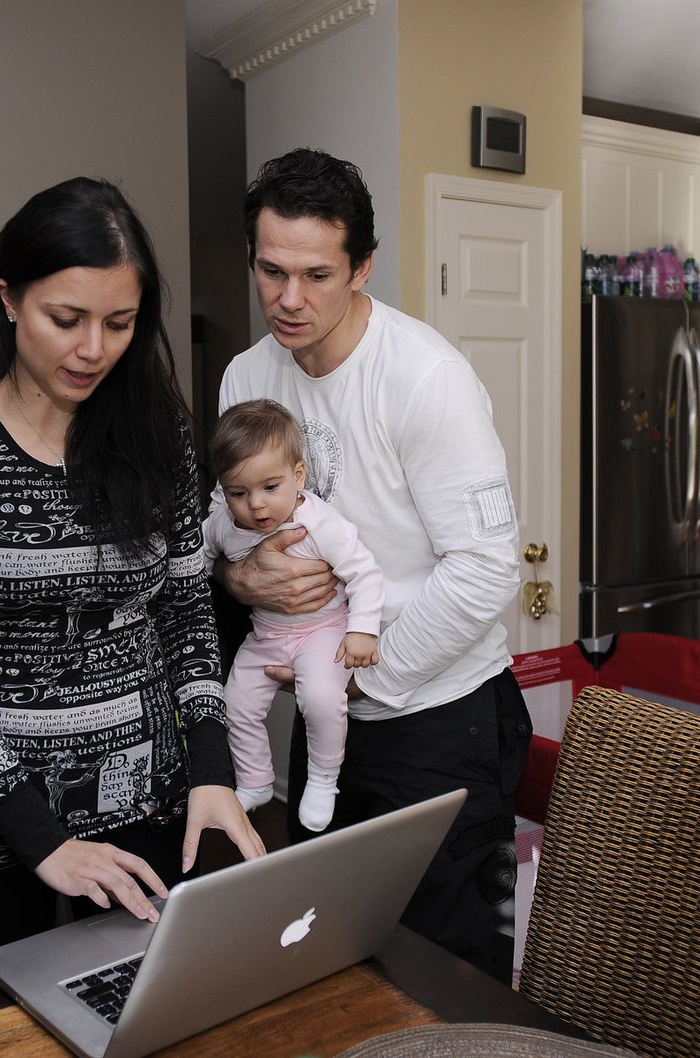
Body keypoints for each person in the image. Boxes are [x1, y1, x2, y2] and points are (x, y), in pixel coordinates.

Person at [0, 177, 264, 978]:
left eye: (119, 323)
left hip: (153, 802)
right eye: (68, 319)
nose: (94, 348)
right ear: (10, 300)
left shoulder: (156, 434)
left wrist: (211, 772)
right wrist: (43, 838)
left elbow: (189, 614)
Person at [210, 148, 532, 983]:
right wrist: (240, 578)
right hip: (330, 727)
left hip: (439, 719)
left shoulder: (425, 379)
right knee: (326, 956)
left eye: (317, 274)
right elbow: (226, 526)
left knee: (446, 972)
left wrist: (357, 674)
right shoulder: (248, 375)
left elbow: (486, 571)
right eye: (271, 270)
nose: (289, 298)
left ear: (363, 268)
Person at [202, 398, 383, 832]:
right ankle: (256, 780)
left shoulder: (320, 523)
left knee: (321, 699)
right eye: (239, 493)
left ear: (298, 477)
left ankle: (323, 780)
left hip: (323, 632)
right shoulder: (225, 523)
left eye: (270, 488)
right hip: (265, 635)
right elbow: (198, 560)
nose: (257, 506)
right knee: (235, 703)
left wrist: (362, 631)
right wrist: (222, 575)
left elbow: (365, 573)